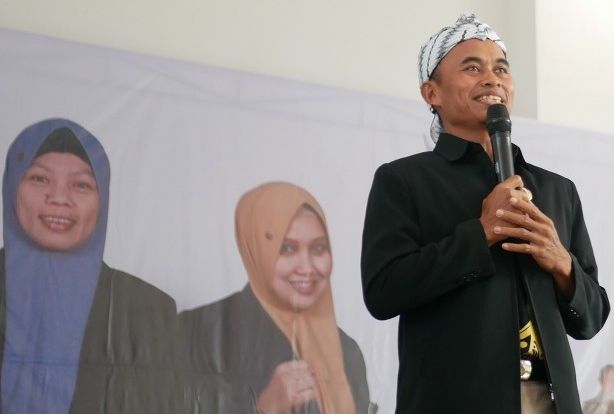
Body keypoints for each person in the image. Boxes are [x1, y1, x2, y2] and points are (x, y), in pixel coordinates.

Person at [361, 13, 610, 414]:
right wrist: (482, 232)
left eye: (501, 69)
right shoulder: (404, 180)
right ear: (432, 93)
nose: (492, 80)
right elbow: (383, 292)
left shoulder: (556, 190)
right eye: (472, 68)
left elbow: (591, 319)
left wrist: (562, 263)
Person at [1, 118, 180, 413]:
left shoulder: (149, 310)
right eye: (40, 179)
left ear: (103, 198)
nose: (59, 198)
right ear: (12, 185)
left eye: (81, 184)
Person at [181, 181, 371, 414]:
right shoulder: (197, 330)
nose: (306, 267)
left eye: (318, 248)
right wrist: (263, 408)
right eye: (287, 249)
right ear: (255, 250)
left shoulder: (347, 352)